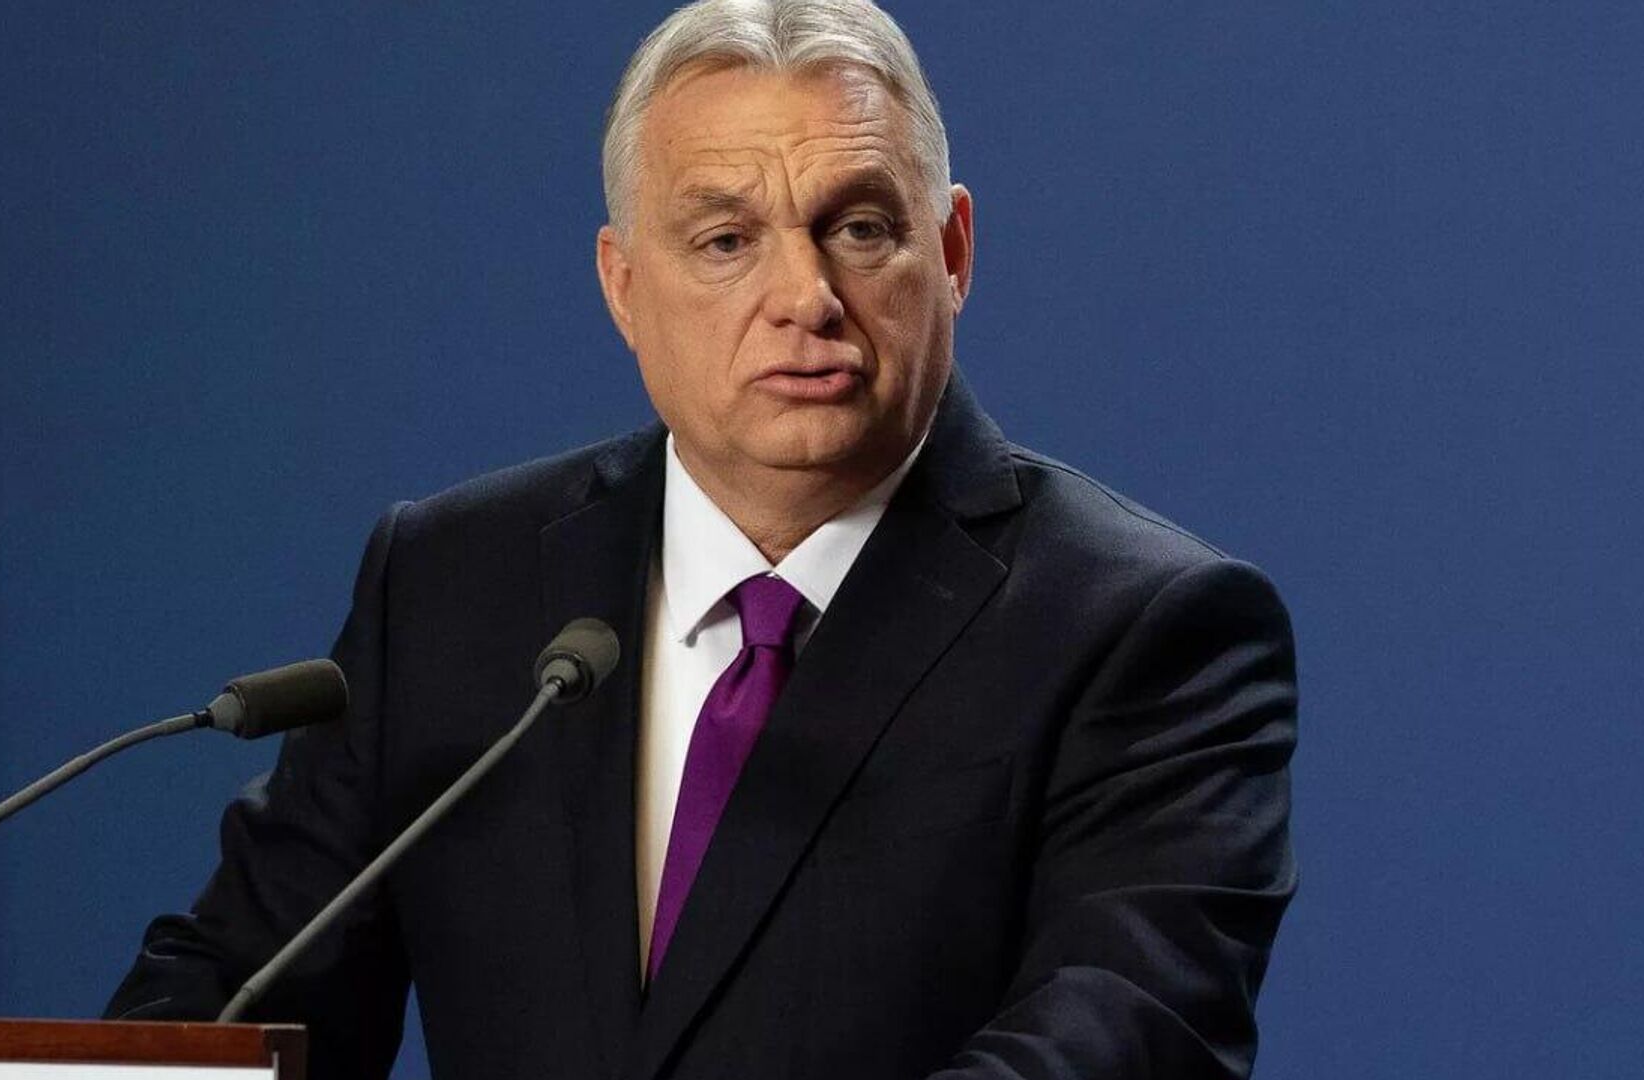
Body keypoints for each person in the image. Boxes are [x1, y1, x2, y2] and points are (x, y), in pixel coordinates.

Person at [106, 1, 1299, 1077]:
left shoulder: (1141, 629)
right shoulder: (450, 587)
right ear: (624, 286)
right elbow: (237, 998)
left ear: (952, 254)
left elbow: (1120, 1041)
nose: (804, 297)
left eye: (860, 227)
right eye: (727, 241)